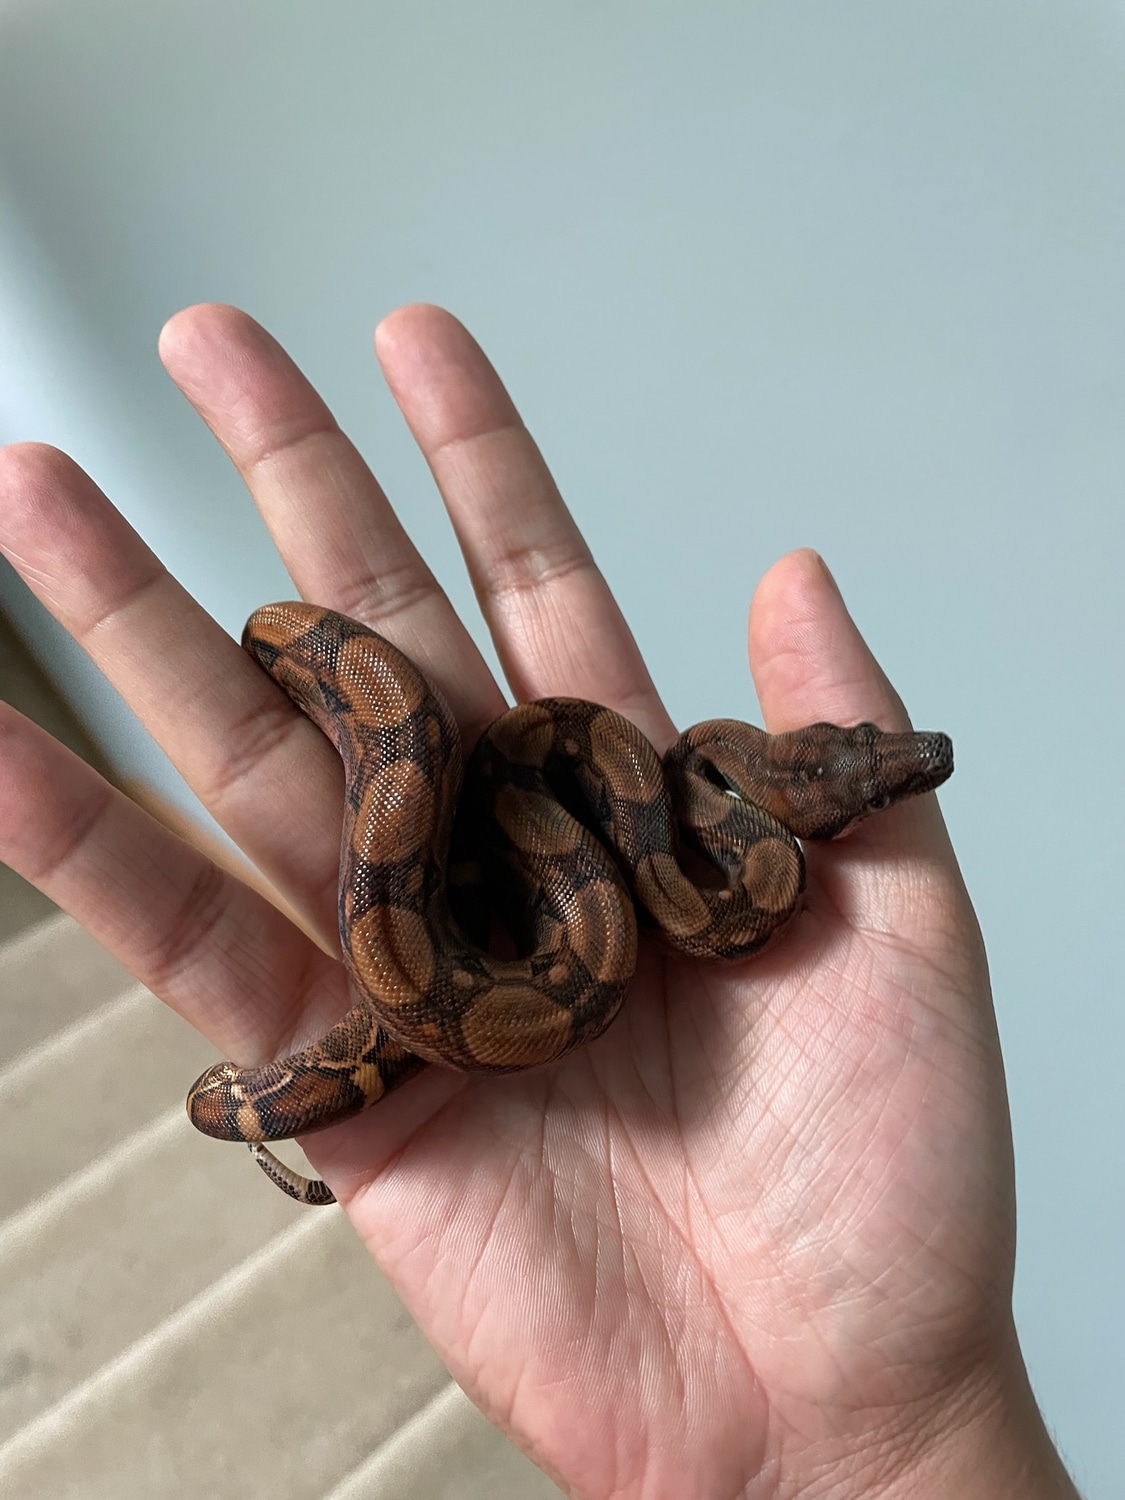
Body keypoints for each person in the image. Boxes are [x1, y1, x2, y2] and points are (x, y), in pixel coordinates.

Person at [0, 304, 1080, 1498]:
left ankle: (297, 1082)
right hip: (482, 891)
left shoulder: (690, 827)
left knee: (377, 803)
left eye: (866, 771)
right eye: (866, 754)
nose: (895, 754)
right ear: (792, 777)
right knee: (374, 756)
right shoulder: (672, 835)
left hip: (488, 913)